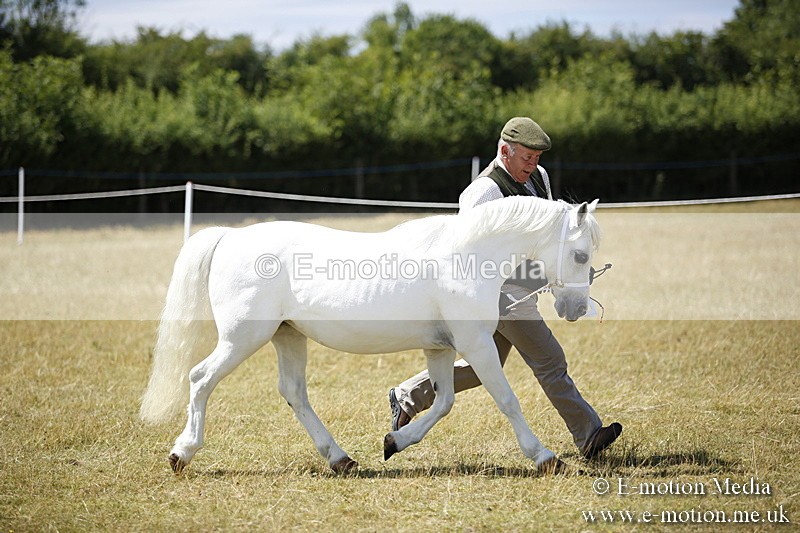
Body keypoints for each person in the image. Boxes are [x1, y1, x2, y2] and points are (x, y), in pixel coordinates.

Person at [388, 117, 622, 460]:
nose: (533, 164)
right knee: (550, 359)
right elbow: (469, 251)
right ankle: (588, 434)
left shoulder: (539, 178)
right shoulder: (483, 192)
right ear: (504, 151)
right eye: (526, 156)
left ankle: (408, 395)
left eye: (537, 157)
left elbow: (546, 235)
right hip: (500, 297)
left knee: (485, 366)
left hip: (521, 290)